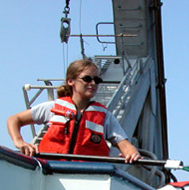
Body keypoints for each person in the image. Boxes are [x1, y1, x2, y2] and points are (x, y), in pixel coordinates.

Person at [7, 59, 140, 163]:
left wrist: (132, 153)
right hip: (50, 173)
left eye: (97, 80)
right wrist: (19, 141)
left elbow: (124, 144)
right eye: (87, 79)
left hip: (88, 178)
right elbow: (14, 120)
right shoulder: (52, 107)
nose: (93, 83)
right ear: (70, 81)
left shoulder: (105, 117)